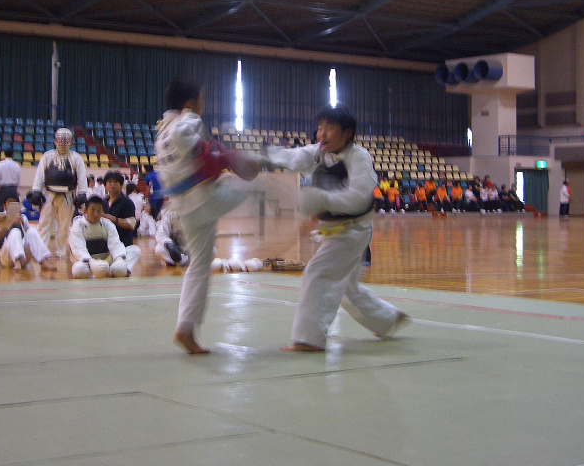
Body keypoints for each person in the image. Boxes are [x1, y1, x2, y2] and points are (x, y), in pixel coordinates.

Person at [262, 105, 409, 352]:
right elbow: (295, 156)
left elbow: (360, 196)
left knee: (317, 272)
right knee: (348, 289)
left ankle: (308, 339)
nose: (322, 134)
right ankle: (388, 319)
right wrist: (268, 155)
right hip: (333, 231)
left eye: (330, 128)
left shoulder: (359, 157)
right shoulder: (321, 152)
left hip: (352, 231)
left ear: (347, 132)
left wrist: (324, 200)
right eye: (320, 127)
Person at [155, 78, 260, 354]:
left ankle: (186, 328)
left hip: (183, 207)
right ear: (190, 104)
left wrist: (222, 158)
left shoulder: (161, 131)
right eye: (202, 100)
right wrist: (231, 158)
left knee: (200, 264)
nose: (204, 105)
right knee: (262, 185)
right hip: (203, 198)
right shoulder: (185, 122)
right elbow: (200, 149)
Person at [29, 128, 88, 257]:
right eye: (60, 140)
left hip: (67, 195)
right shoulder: (47, 156)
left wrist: (82, 193)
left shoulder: (76, 158)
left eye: (65, 140)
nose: (62, 143)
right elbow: (40, 175)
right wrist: (36, 191)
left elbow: (82, 177)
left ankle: (60, 250)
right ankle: (40, 250)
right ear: (55, 141)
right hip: (49, 194)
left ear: (71, 142)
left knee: (64, 225)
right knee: (44, 223)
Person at [69, 196, 130, 278]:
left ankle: (116, 270)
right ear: (85, 210)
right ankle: (101, 272)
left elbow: (115, 244)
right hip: (87, 263)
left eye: (99, 210)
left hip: (107, 261)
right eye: (92, 210)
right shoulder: (78, 225)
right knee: (79, 269)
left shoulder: (108, 224)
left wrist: (119, 259)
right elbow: (79, 248)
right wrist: (91, 262)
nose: (96, 214)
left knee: (134, 251)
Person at [0, 193, 54, 271]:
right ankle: (16, 262)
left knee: (32, 231)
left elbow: (31, 238)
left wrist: (23, 223)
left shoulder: (23, 218)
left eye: (15, 203)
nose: (12, 205)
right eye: (10, 203)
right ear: (4, 205)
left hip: (23, 256)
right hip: (5, 256)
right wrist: (9, 222)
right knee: (15, 232)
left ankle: (43, 260)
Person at [102, 170, 141, 273]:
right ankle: (116, 269)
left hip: (123, 245)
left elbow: (131, 224)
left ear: (121, 185)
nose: (112, 184)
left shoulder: (127, 202)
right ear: (105, 185)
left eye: (115, 182)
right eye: (109, 182)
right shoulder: (102, 203)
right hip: (105, 247)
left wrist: (113, 219)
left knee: (135, 250)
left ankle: (125, 270)